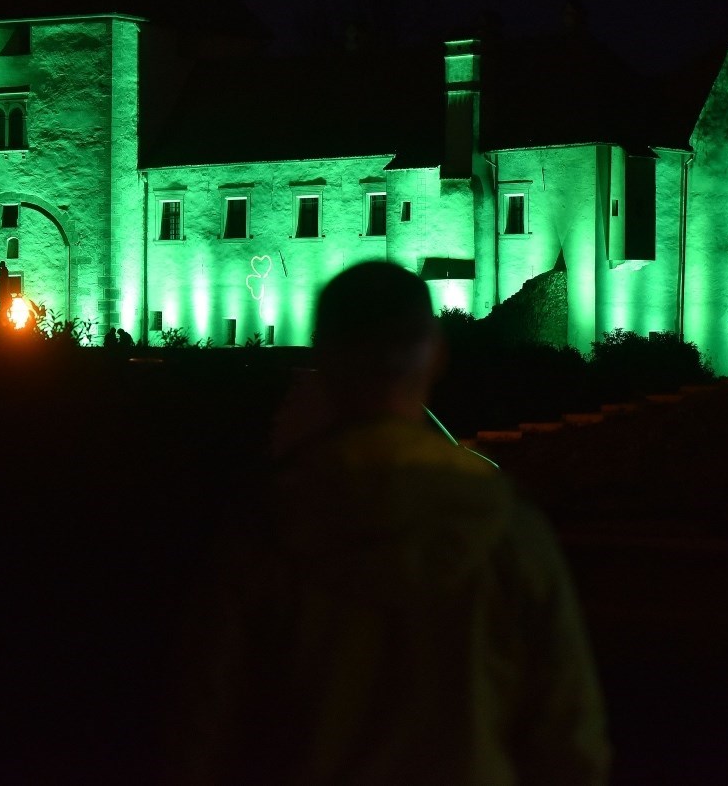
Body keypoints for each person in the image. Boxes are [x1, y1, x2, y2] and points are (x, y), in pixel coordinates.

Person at [170, 261, 610, 785]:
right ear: (437, 355)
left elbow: (198, 732)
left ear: (324, 358)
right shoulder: (510, 528)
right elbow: (570, 741)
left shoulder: (262, 528)